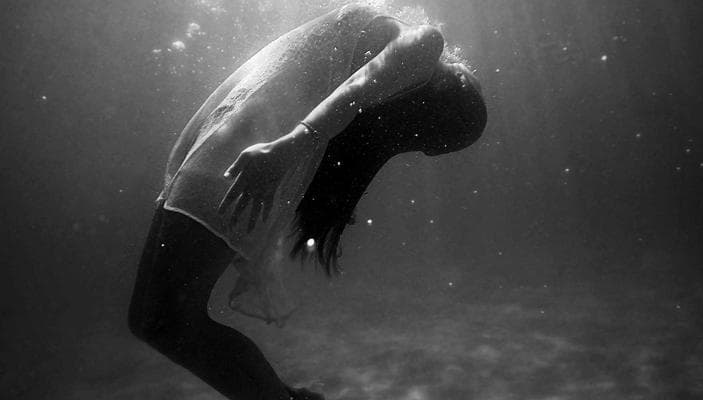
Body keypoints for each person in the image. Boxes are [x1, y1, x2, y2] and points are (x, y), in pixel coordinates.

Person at [128, 4, 487, 400]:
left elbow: (349, 89)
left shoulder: (412, 45)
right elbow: (350, 91)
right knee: (157, 320)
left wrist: (287, 150)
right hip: (246, 148)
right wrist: (287, 147)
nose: (409, 144)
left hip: (244, 150)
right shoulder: (415, 46)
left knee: (161, 321)